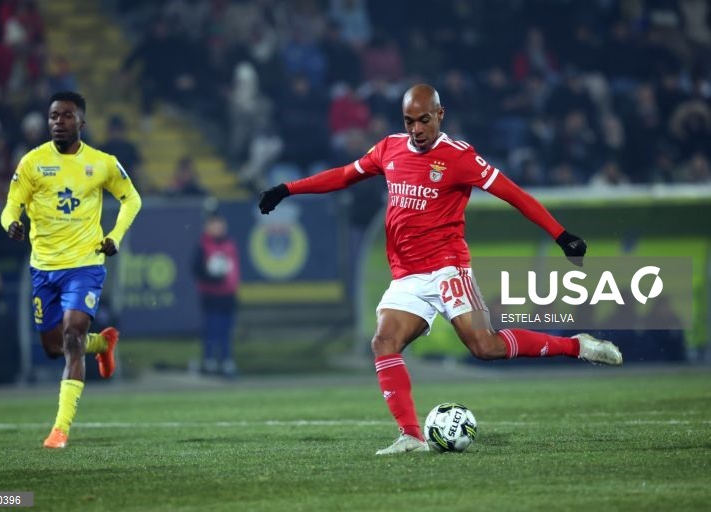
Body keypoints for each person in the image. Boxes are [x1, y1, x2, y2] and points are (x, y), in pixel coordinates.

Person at [258, 84, 623, 455]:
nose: (416, 129)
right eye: (409, 121)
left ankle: (577, 345)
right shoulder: (389, 148)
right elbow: (344, 175)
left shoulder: (459, 157)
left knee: (486, 347)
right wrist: (288, 189)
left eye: (423, 120)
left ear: (440, 115)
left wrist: (560, 235)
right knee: (383, 341)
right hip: (407, 277)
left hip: (448, 270)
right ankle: (411, 437)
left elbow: (515, 194)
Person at [1, 91, 142, 449]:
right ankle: (103, 344)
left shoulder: (102, 163)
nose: (58, 123)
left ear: (82, 122)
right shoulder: (32, 163)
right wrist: (11, 224)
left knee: (71, 336)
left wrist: (115, 236)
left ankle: (59, 430)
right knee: (53, 347)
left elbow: (132, 199)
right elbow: (9, 207)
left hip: (85, 265)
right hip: (44, 268)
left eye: (66, 116)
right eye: (53, 116)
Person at [191, 212, 240, 377]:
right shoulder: (203, 246)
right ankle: (209, 360)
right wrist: (212, 276)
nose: (218, 228)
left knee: (226, 330)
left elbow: (234, 270)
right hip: (211, 295)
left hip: (228, 295)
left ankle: (226, 361)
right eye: (214, 225)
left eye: (220, 225)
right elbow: (196, 270)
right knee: (211, 328)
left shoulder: (230, 245)